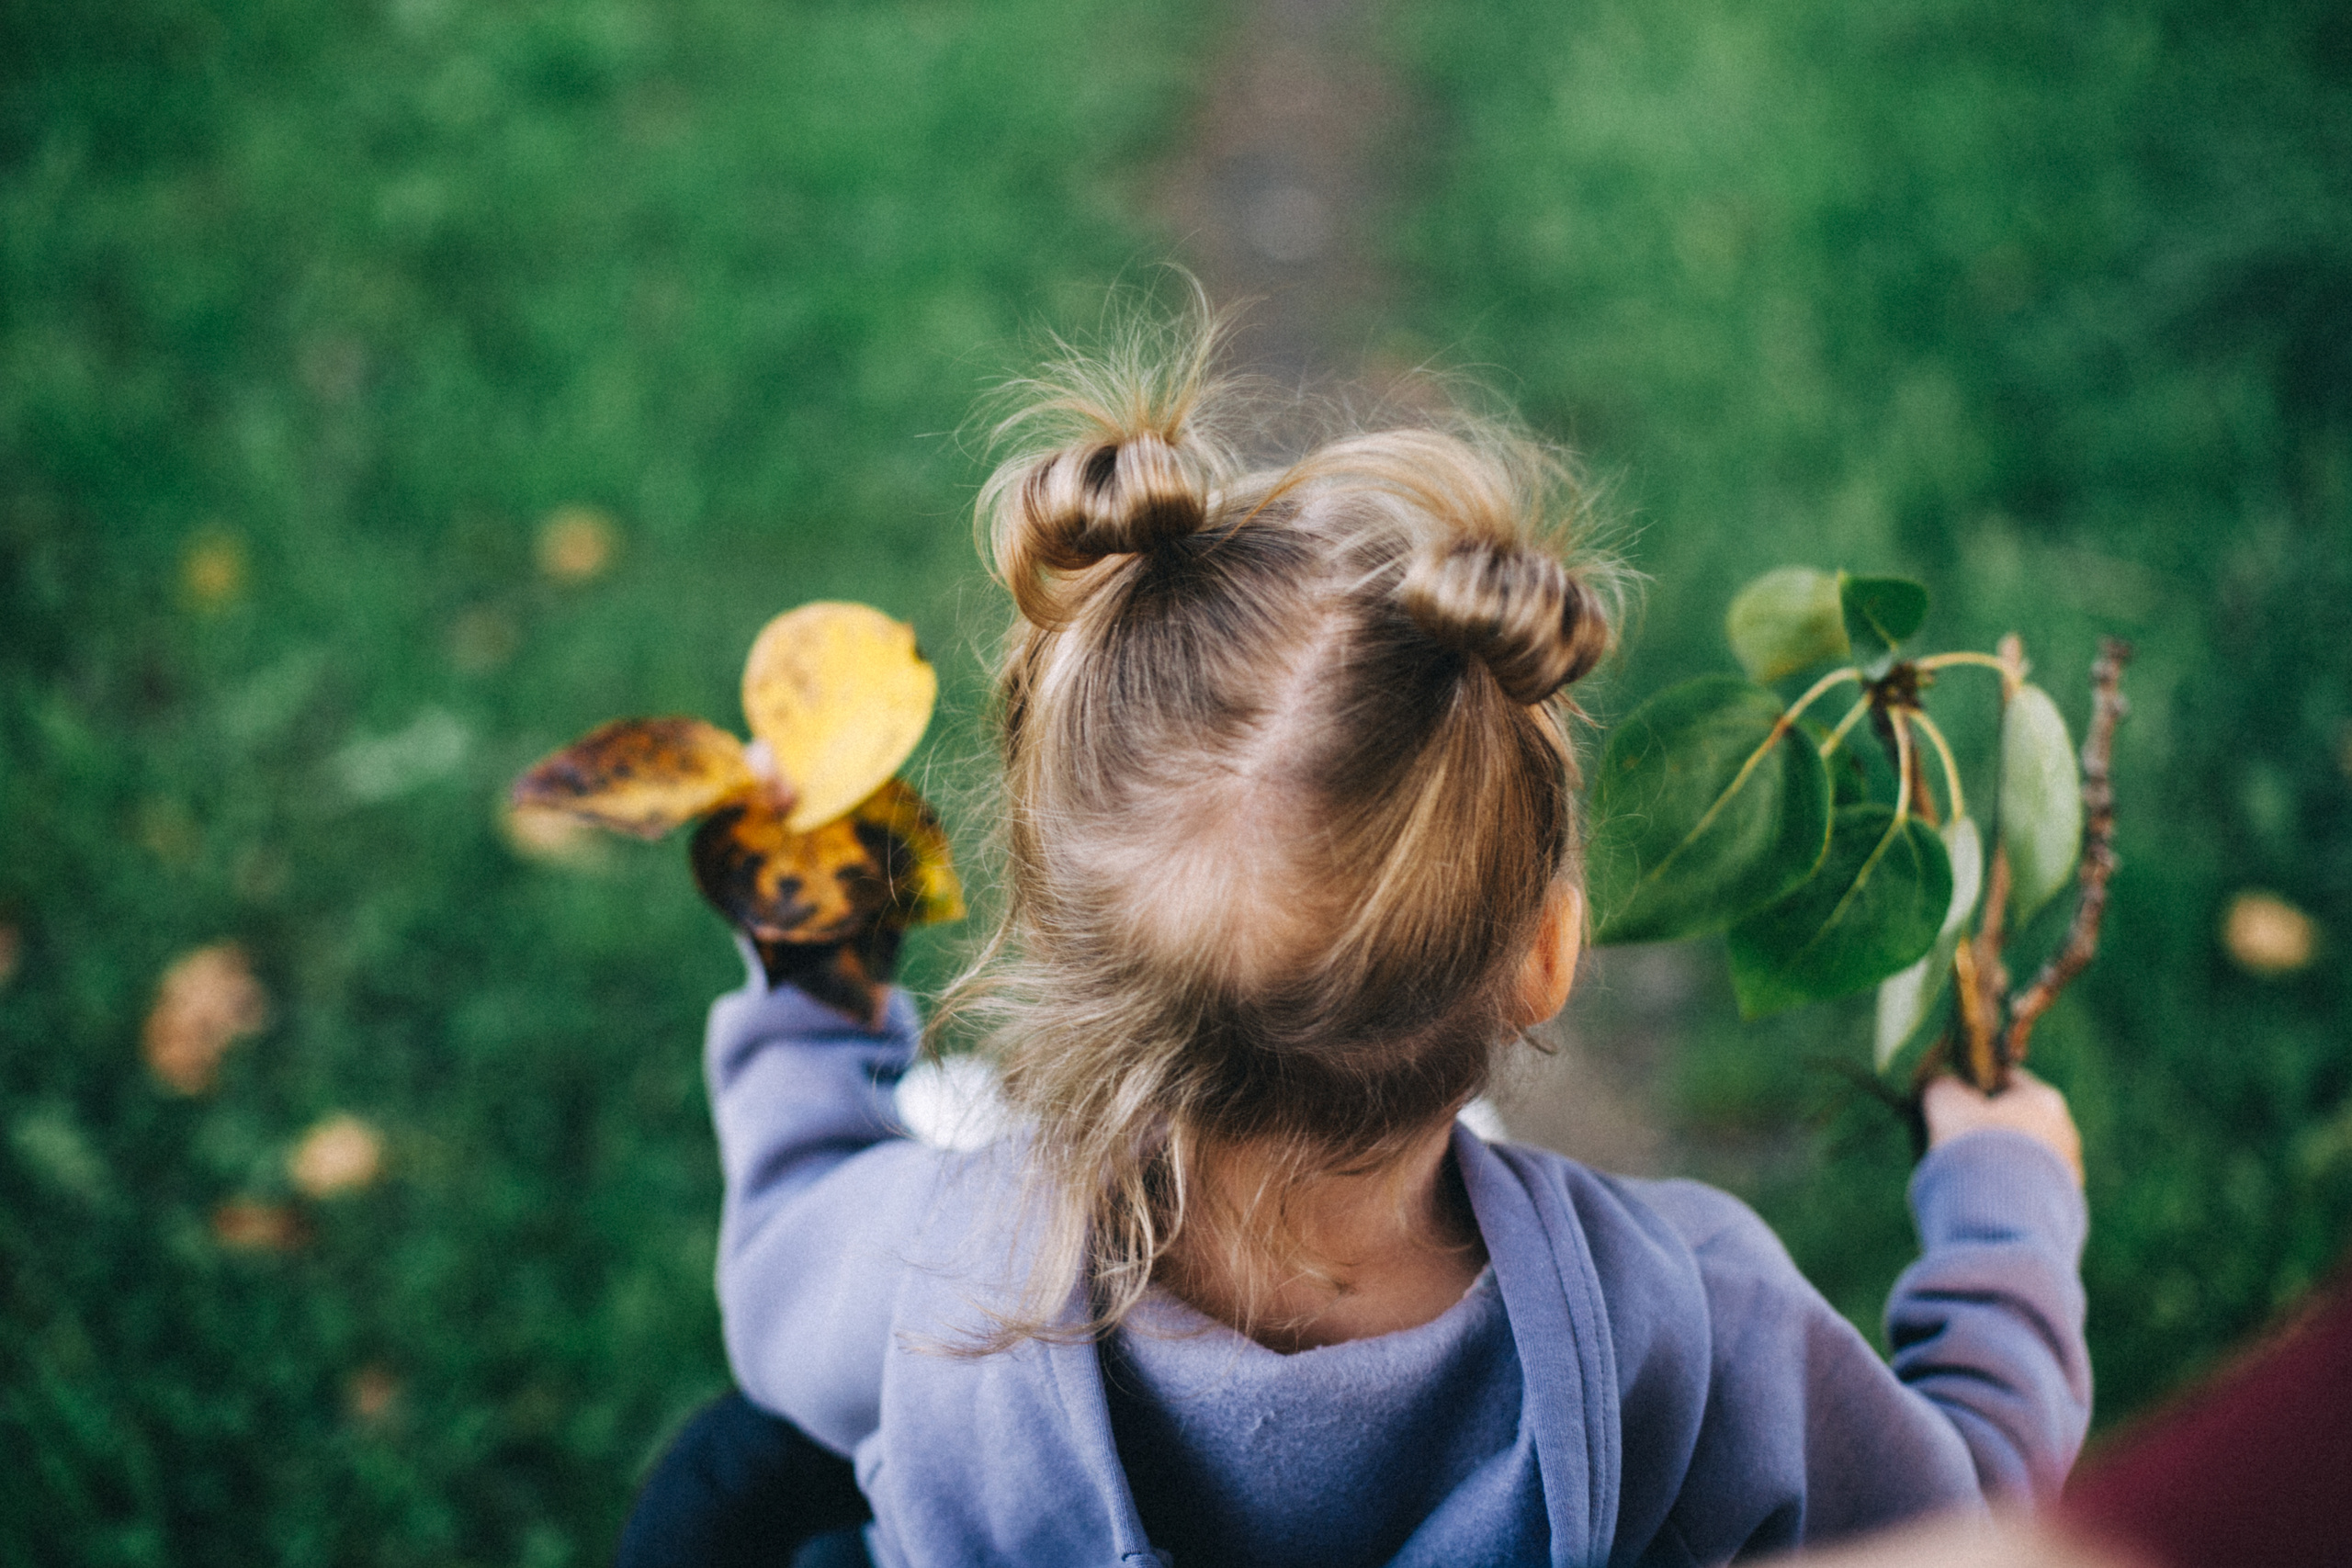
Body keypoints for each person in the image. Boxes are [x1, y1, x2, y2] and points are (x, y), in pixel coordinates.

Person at [627, 310, 2092, 1567]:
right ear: (1546, 953)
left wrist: (817, 986)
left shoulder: (947, 1269)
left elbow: (779, 1275)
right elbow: (1956, 1520)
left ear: (1056, 943)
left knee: (727, 1482)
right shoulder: (1684, 1321)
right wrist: (2003, 1203)